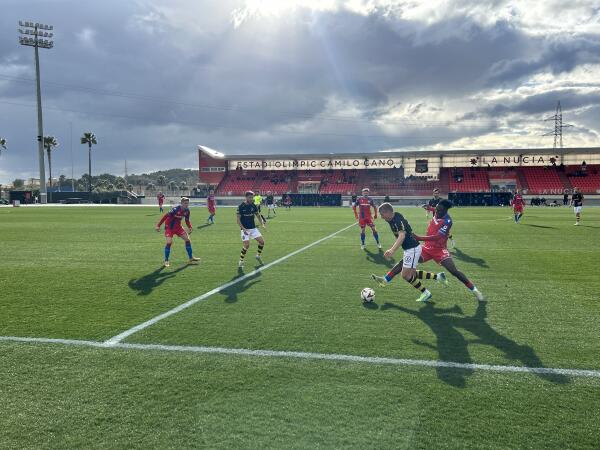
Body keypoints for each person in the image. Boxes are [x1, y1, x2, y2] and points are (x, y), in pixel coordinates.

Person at [413, 199, 484, 301]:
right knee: (409, 261)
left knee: (454, 271)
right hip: (427, 248)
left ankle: (475, 290)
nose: (436, 212)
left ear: (445, 211)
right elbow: (435, 209)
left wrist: (419, 238)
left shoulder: (447, 221)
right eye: (436, 209)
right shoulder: (438, 211)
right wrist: (429, 208)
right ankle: (388, 278)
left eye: (439, 211)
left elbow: (437, 237)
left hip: (439, 250)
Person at [371, 203, 444, 302]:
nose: (381, 217)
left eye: (382, 214)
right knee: (411, 273)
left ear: (388, 212)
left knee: (405, 275)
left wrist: (392, 250)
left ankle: (426, 292)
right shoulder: (392, 218)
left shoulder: (397, 220)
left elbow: (402, 236)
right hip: (410, 248)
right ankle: (437, 277)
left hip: (412, 248)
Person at [155, 197, 200, 267]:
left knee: (187, 240)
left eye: (188, 203)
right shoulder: (175, 210)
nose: (187, 205)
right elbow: (165, 216)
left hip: (178, 227)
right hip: (169, 227)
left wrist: (190, 227)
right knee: (169, 242)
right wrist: (158, 225)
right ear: (181, 203)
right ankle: (166, 260)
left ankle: (191, 258)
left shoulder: (187, 211)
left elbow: (187, 220)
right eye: (185, 203)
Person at [237, 191, 266, 268]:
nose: (251, 199)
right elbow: (238, 220)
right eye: (250, 197)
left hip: (253, 228)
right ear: (246, 197)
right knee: (246, 245)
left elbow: (258, 215)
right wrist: (243, 229)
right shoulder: (241, 206)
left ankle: (258, 256)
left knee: (262, 242)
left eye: (252, 197)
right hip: (245, 229)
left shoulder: (253, 205)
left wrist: (262, 224)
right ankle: (241, 260)